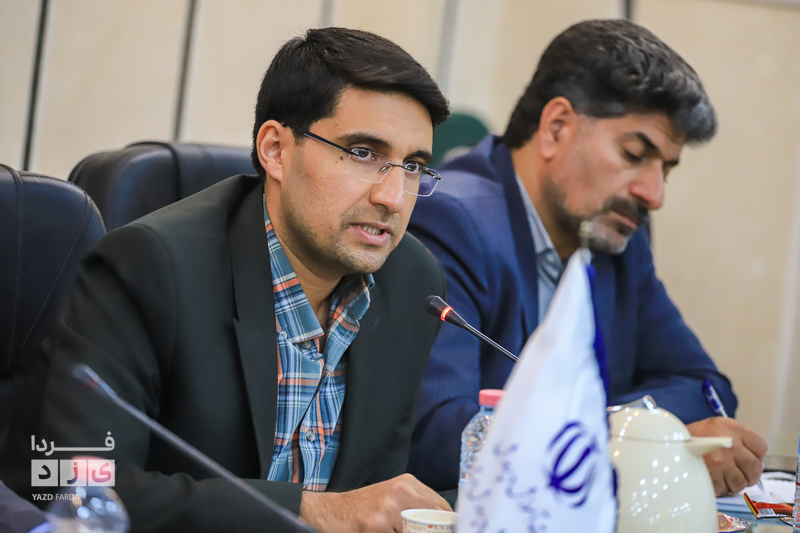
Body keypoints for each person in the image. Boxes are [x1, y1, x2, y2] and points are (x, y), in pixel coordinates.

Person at [0, 28, 452, 533]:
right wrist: (311, 511)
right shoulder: (149, 267)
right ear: (275, 150)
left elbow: (379, 489)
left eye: (413, 166)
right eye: (363, 153)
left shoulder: (412, 282)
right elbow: (60, 481)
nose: (394, 197)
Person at [407, 19, 767, 497]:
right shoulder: (454, 219)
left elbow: (706, 389)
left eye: (666, 169)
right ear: (557, 128)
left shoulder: (617, 238)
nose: (655, 194)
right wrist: (627, 436)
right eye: (634, 154)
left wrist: (611, 425)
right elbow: (439, 435)